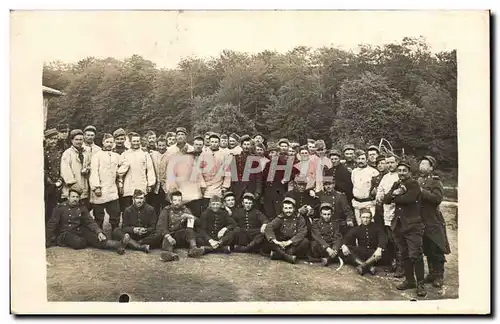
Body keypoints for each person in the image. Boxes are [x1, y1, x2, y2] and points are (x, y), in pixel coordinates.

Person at [383, 160, 426, 297]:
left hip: (413, 225)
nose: (401, 173)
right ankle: (409, 280)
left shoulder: (414, 184)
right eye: (399, 170)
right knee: (404, 254)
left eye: (404, 171)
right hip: (399, 225)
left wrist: (395, 195)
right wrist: (396, 193)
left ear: (409, 172)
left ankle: (420, 284)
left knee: (416, 255)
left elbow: (409, 199)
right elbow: (386, 199)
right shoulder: (396, 184)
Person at [46, 189, 126, 254]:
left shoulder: (82, 208)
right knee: (79, 243)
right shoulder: (60, 208)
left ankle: (117, 245)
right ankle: (91, 241)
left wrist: (98, 232)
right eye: (73, 197)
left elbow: (90, 221)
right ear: (68, 197)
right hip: (65, 233)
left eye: (77, 197)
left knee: (97, 237)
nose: (75, 199)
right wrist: (47, 239)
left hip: (79, 231)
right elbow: (52, 224)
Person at [417, 155, 451, 288]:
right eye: (421, 163)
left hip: (433, 220)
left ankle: (439, 276)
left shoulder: (436, 182)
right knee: (427, 248)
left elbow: (437, 199)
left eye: (425, 164)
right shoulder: (418, 180)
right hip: (421, 220)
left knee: (437, 247)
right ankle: (431, 273)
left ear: (431, 168)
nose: (422, 166)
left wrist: (422, 191)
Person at [154, 190, 205, 261]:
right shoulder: (166, 210)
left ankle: (193, 249)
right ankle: (170, 254)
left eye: (179, 200)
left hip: (181, 236)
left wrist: (190, 216)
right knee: (166, 239)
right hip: (169, 235)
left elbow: (198, 223)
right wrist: (168, 236)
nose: (177, 202)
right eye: (175, 200)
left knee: (189, 231)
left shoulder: (185, 209)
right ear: (171, 201)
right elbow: (161, 226)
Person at [89, 133, 123, 232]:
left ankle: (115, 233)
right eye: (107, 142)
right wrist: (96, 187)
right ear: (103, 142)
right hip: (100, 188)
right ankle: (99, 235)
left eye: (111, 142)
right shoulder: (97, 156)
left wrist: (119, 172)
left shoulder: (116, 156)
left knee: (115, 213)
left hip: (112, 189)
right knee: (99, 215)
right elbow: (94, 171)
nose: (109, 144)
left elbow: (125, 163)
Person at [376, 154, 403, 277]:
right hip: (386, 211)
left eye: (392, 162)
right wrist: (380, 197)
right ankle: (392, 263)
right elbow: (380, 192)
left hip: (397, 213)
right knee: (390, 239)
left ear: (397, 162)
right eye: (387, 163)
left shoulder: (400, 176)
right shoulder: (386, 177)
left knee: (398, 240)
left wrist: (390, 197)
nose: (389, 165)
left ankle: (401, 266)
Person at [341, 208, 388, 275]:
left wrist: (379, 248)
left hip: (374, 254)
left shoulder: (377, 227)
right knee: (347, 249)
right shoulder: (357, 229)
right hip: (362, 253)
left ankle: (363, 266)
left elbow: (383, 238)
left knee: (384, 251)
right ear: (360, 218)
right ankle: (368, 266)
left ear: (371, 218)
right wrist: (343, 245)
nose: (365, 220)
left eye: (367, 217)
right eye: (363, 217)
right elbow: (346, 237)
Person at [263, 197, 309, 264]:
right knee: (268, 238)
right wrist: (276, 241)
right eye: (286, 208)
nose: (288, 211)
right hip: (282, 243)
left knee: (305, 242)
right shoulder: (280, 218)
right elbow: (269, 227)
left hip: (293, 243)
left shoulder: (299, 218)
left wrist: (290, 242)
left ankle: (279, 254)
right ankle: (287, 256)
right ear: (283, 209)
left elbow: (302, 232)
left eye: (290, 208)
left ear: (294, 209)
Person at [119, 132, 156, 209]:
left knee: (142, 208)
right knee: (128, 208)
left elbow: (150, 170)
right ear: (130, 142)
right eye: (134, 141)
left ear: (140, 142)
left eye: (137, 141)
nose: (136, 143)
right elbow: (120, 173)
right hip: (128, 185)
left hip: (141, 184)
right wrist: (121, 185)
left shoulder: (145, 154)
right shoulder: (125, 154)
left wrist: (150, 184)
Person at [199, 133, 232, 212]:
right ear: (209, 142)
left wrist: (225, 186)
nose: (214, 144)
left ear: (219, 143)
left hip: (218, 185)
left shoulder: (223, 155)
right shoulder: (203, 154)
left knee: (218, 208)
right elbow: (198, 171)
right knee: (206, 208)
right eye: (212, 142)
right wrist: (202, 184)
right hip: (206, 186)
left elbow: (227, 172)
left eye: (216, 142)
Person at [60, 129, 91, 210]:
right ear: (72, 140)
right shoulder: (67, 153)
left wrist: (87, 169)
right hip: (72, 187)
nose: (79, 141)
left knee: (84, 209)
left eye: (81, 139)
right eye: (76, 139)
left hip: (84, 185)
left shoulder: (86, 151)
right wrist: (73, 184)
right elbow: (65, 170)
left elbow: (89, 164)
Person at [229, 135, 262, 206]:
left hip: (251, 187)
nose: (246, 146)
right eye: (244, 144)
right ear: (241, 145)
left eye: (248, 144)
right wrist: (232, 190)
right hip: (238, 188)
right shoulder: (236, 158)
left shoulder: (255, 158)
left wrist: (258, 191)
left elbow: (258, 176)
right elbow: (233, 176)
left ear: (251, 146)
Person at [310, 203, 344, 267]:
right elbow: (318, 237)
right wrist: (327, 248)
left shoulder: (335, 223)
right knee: (314, 245)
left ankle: (328, 259)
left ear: (331, 214)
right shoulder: (316, 223)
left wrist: (335, 249)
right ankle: (329, 258)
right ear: (320, 214)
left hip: (331, 245)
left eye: (328, 214)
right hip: (321, 245)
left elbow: (337, 236)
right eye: (324, 214)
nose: (326, 216)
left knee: (343, 248)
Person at [351, 150, 379, 225]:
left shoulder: (373, 171)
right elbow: (353, 183)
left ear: (366, 160)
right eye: (359, 159)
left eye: (363, 159)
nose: (361, 161)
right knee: (360, 226)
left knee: (370, 225)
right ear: (356, 160)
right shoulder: (354, 172)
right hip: (357, 203)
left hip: (368, 203)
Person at [44, 128, 63, 224]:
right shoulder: (42, 152)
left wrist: (60, 180)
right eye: (50, 139)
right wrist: (51, 182)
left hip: (59, 183)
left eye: (55, 139)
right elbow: (43, 170)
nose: (53, 141)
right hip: (47, 185)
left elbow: (62, 167)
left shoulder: (59, 152)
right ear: (46, 139)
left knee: (57, 207)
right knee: (48, 208)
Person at [370, 154, 388, 227]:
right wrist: (372, 193)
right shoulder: (375, 179)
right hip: (378, 207)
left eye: (382, 163)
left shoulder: (390, 176)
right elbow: (371, 195)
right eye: (378, 164)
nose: (380, 165)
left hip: (388, 206)